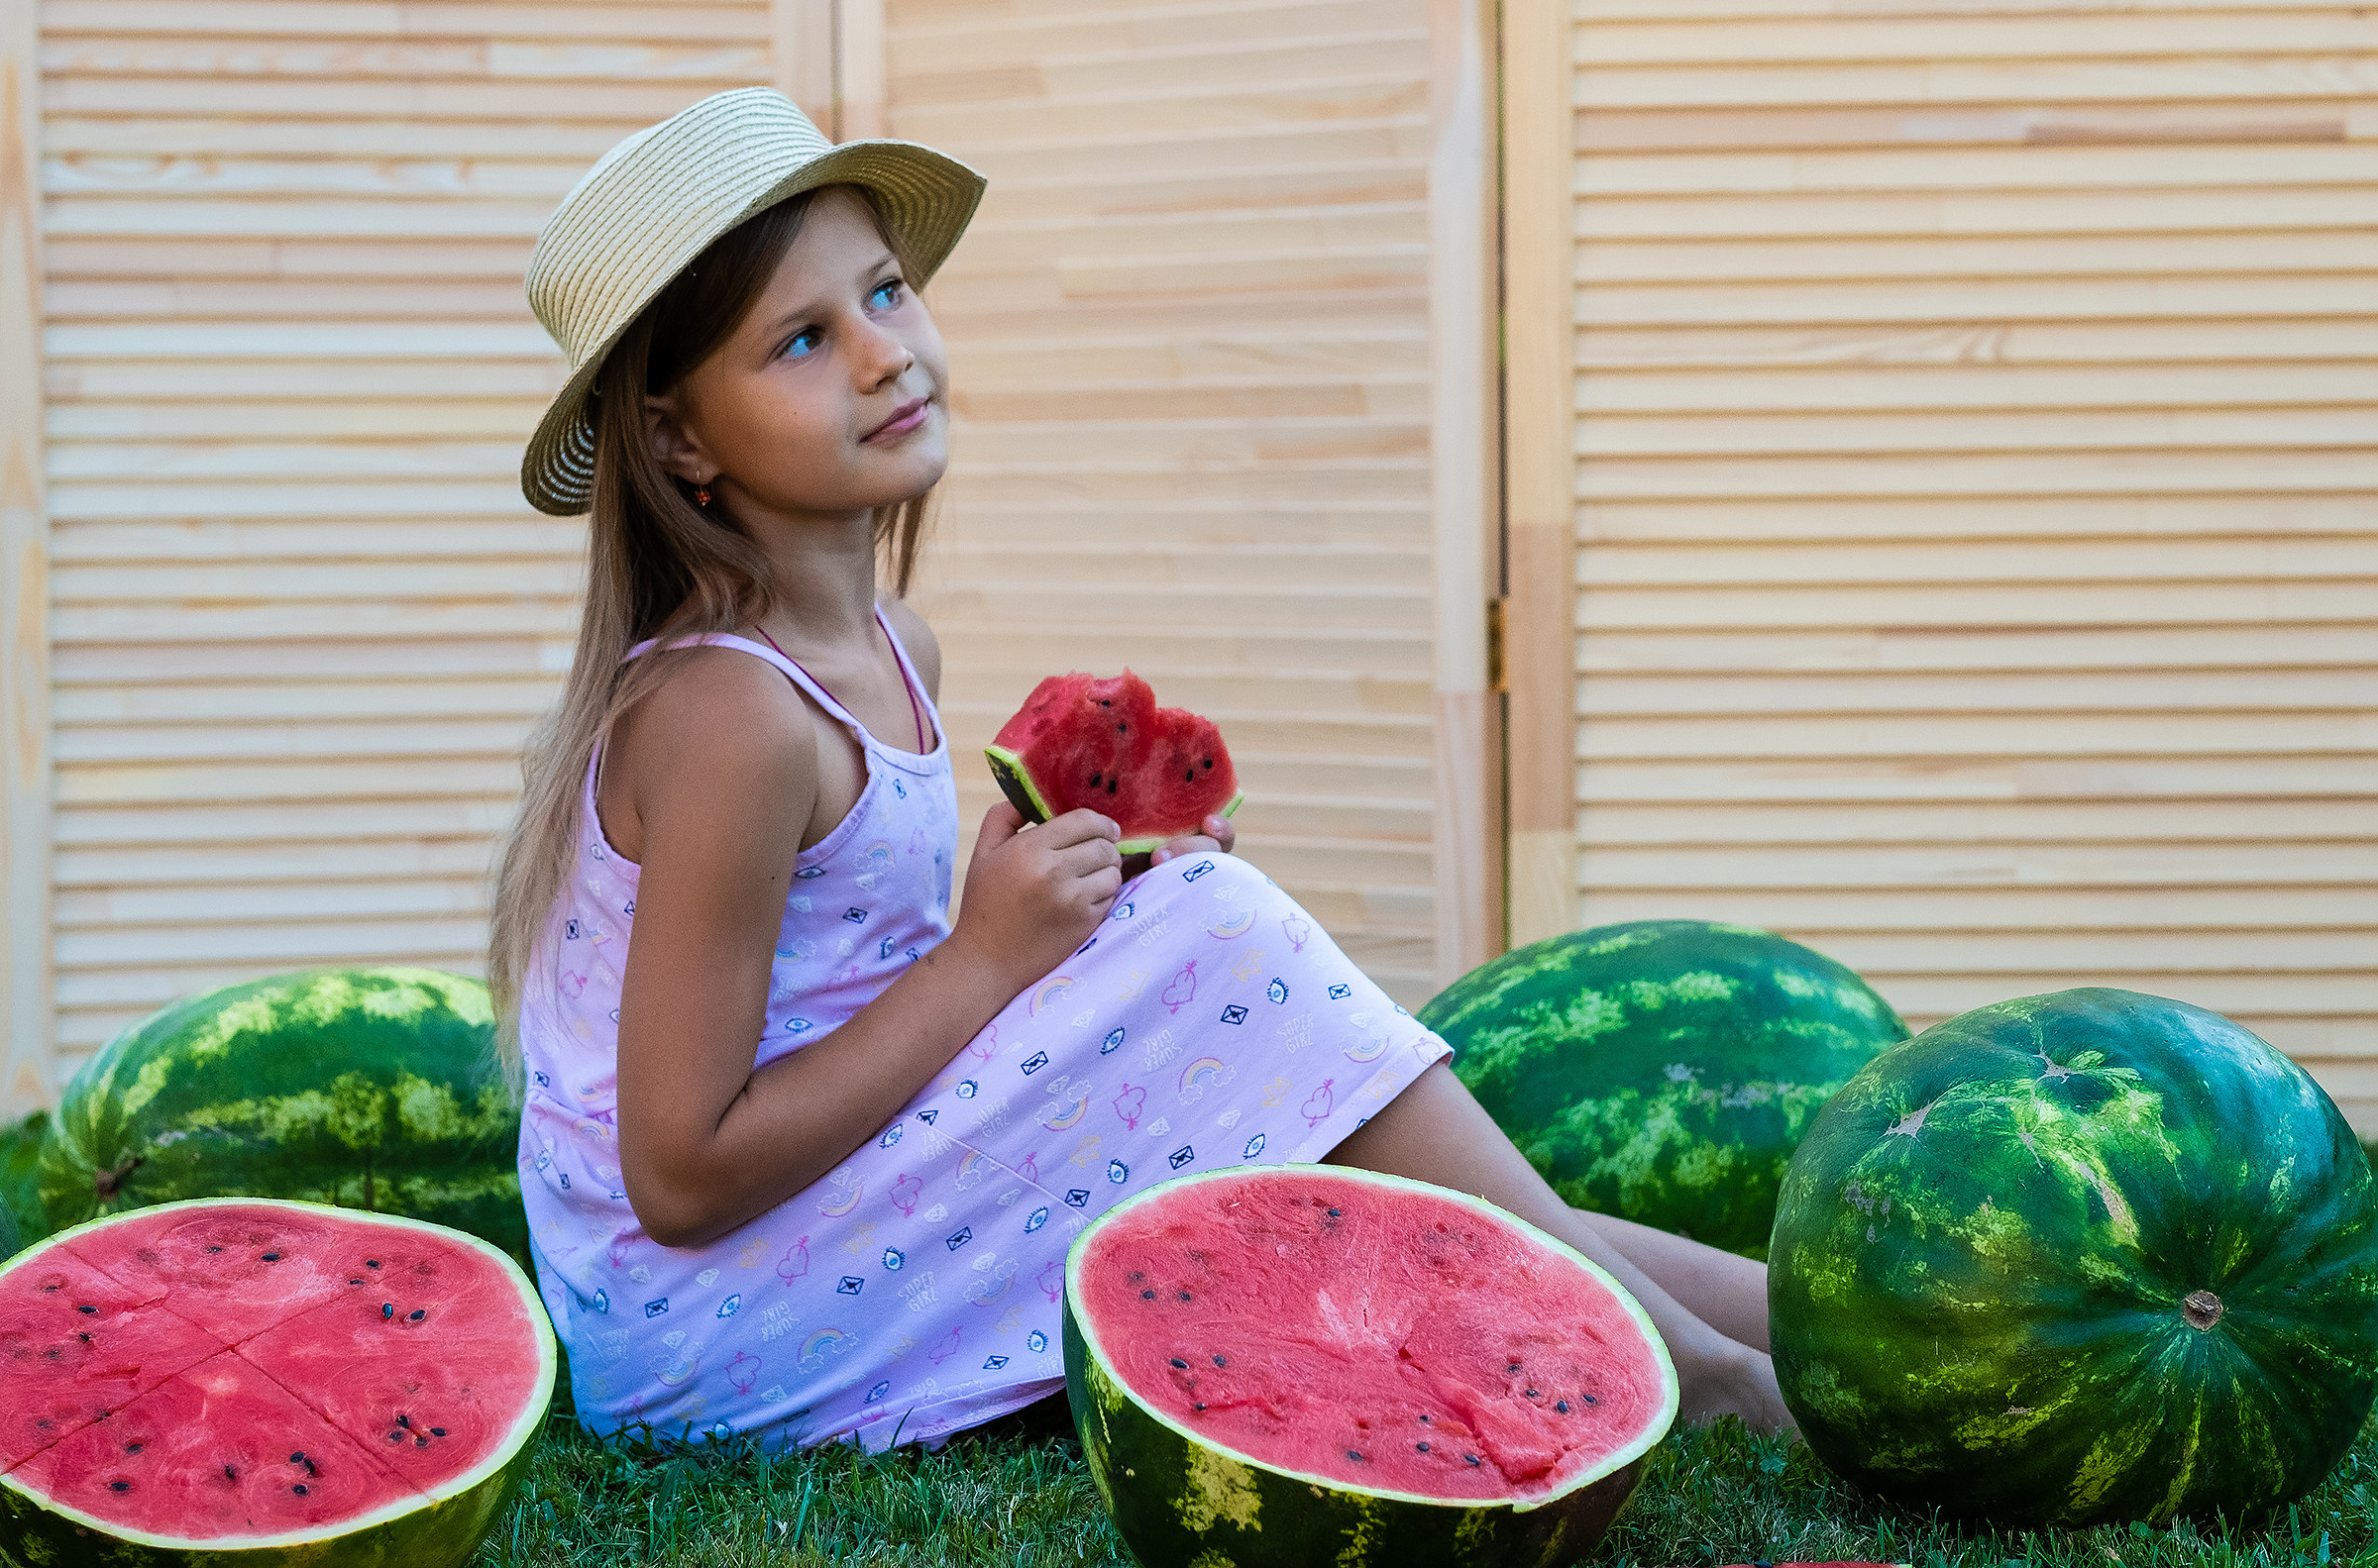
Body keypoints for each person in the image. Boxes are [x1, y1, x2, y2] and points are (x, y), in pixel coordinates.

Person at [488, 86, 1789, 1452]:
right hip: (711, 1325)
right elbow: (682, 1173)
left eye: (884, 292)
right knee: (1224, 946)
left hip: (826, 1218)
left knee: (1218, 976)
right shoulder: (727, 717)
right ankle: (1700, 1378)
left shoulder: (892, 644)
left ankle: (1786, 1326)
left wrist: (1061, 921)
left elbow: (856, 992)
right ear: (681, 440)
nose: (882, 354)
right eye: (803, 340)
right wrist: (989, 964)